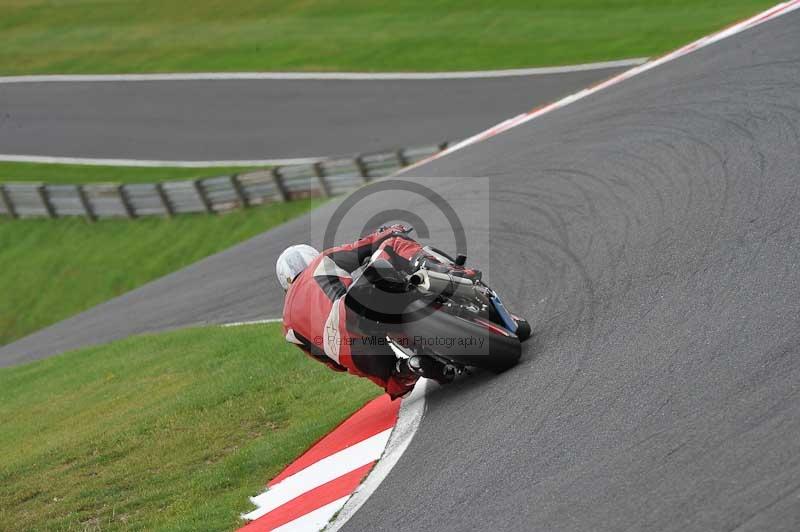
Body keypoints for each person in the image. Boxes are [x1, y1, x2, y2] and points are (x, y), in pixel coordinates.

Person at [276, 224, 454, 399]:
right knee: (392, 244)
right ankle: (448, 272)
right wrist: (390, 231)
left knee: (393, 380)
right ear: (311, 257)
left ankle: (409, 367)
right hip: (354, 309)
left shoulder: (288, 325)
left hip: (348, 351)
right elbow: (366, 246)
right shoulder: (321, 261)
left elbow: (330, 363)